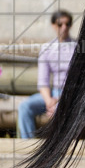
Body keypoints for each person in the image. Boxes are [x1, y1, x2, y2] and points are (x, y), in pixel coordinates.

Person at [17, 10, 76, 139]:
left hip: (71, 94)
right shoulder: (47, 48)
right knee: (24, 107)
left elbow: (78, 82)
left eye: (67, 24)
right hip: (53, 94)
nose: (64, 27)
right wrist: (49, 101)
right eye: (60, 24)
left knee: (60, 110)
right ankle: (28, 143)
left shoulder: (77, 48)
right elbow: (43, 82)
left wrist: (59, 100)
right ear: (53, 25)